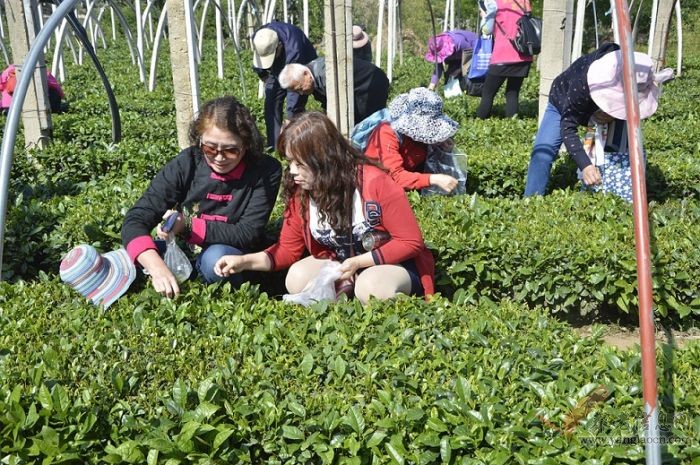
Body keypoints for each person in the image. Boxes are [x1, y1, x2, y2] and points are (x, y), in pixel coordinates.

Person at [213, 112, 435, 304]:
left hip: (395, 265)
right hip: (345, 263)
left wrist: (360, 262)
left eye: (300, 164)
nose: (292, 171)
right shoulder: (301, 192)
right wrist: (244, 261)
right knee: (296, 278)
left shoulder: (374, 182)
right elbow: (287, 251)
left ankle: (404, 311)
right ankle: (348, 299)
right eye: (289, 162)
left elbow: (411, 241)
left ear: (324, 160)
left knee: (371, 288)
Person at [121, 96, 282, 297]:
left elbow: (247, 233)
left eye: (231, 150)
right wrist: (157, 268)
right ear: (199, 141)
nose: (220, 157)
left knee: (216, 258)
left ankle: (195, 281)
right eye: (210, 148)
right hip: (184, 251)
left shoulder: (265, 171)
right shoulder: (187, 162)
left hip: (231, 257)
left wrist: (188, 226)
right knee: (127, 257)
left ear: (247, 144)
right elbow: (136, 218)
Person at [523, 45, 673, 196]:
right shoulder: (581, 80)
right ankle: (531, 201)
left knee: (617, 153)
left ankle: (613, 195)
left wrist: (613, 114)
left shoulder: (632, 72)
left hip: (599, 108)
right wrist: (585, 165)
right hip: (562, 103)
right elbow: (567, 127)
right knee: (543, 153)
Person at [363, 87, 460, 193]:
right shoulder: (386, 133)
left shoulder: (424, 136)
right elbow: (395, 177)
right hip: (378, 188)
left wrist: (442, 148)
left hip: (407, 187)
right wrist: (432, 179)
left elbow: (428, 163)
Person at [251, 21, 318, 149]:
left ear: (279, 46)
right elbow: (259, 60)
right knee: (271, 100)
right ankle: (274, 144)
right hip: (277, 62)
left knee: (294, 110)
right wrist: (263, 74)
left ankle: (293, 144)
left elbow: (294, 93)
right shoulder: (260, 38)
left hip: (300, 63)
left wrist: (289, 119)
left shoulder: (294, 49)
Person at [278, 57, 390, 125]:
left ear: (306, 74)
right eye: (297, 92)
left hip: (372, 82)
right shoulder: (310, 76)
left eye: (300, 88)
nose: (301, 93)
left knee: (368, 122)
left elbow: (339, 108)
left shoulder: (327, 77)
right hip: (355, 87)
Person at [475, 0, 533, 119]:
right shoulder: (524, 1)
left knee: (488, 92)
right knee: (512, 92)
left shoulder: (494, 2)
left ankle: (479, 121)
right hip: (523, 54)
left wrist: (484, 16)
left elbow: (487, 30)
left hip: (503, 54)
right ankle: (512, 126)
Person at [0, 64, 67, 113]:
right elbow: (55, 86)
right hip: (33, 108)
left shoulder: (7, 73)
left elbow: (1, 87)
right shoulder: (40, 69)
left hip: (7, 106)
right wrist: (62, 96)